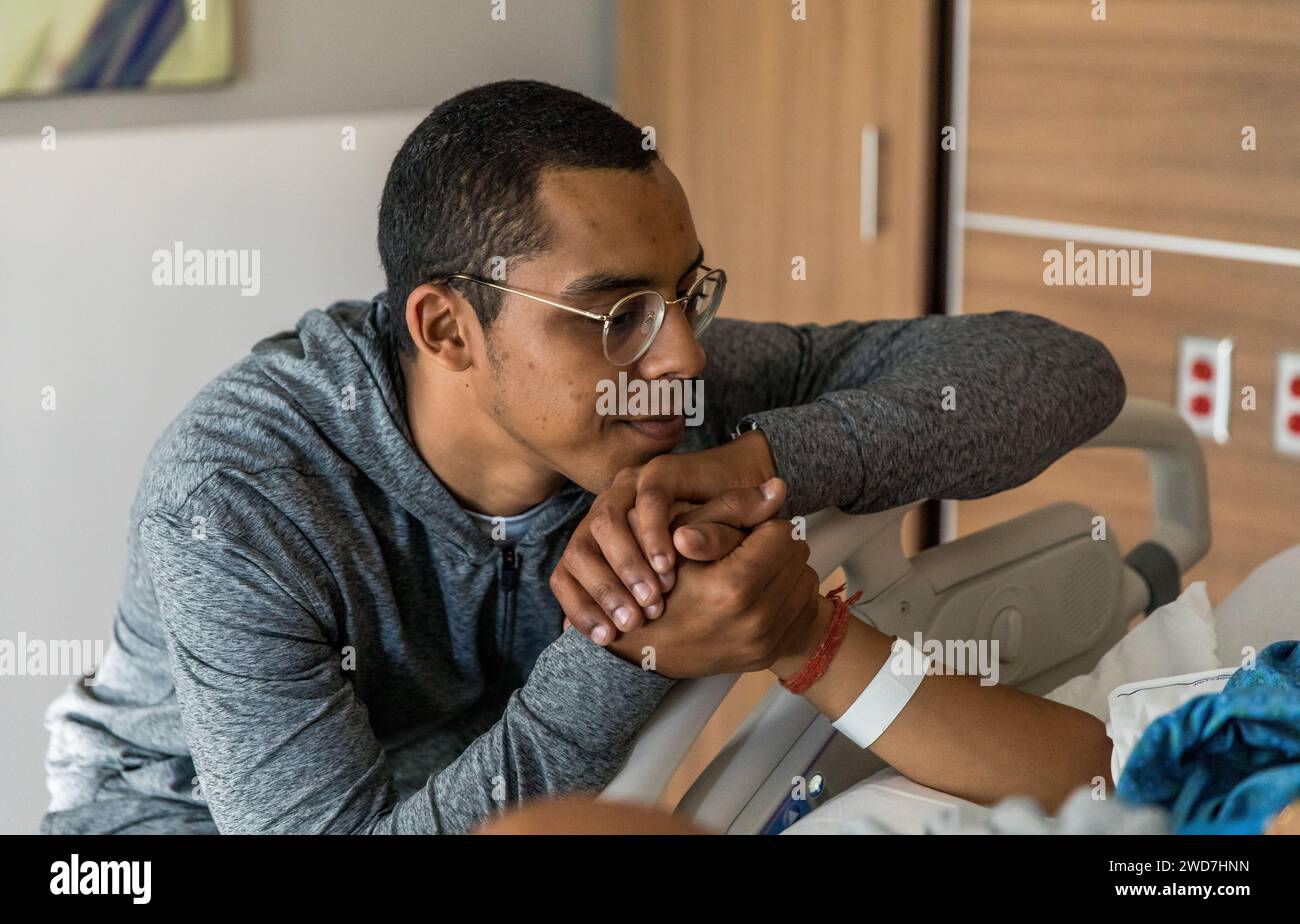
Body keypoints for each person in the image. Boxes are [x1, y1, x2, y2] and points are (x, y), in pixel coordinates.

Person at [40, 79, 1126, 834]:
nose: (683, 353)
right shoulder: (236, 495)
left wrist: (767, 459)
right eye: (615, 312)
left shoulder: (666, 393)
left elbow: (1062, 373)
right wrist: (621, 651)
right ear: (445, 329)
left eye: (689, 293)